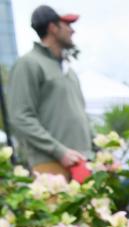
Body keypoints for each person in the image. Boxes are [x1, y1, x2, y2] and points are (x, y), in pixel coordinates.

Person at [8, 5, 91, 178]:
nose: (72, 30)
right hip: (51, 164)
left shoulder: (69, 69)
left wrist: (100, 149)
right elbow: (20, 117)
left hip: (82, 162)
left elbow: (81, 114)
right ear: (53, 28)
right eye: (67, 25)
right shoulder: (28, 64)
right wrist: (59, 151)